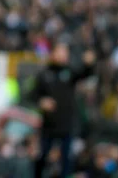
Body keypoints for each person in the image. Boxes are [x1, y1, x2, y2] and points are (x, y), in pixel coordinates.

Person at [32, 43, 96, 178]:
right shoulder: (44, 74)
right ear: (53, 53)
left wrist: (89, 64)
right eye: (59, 51)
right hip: (49, 125)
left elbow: (84, 74)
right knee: (42, 156)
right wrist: (42, 102)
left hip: (66, 125)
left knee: (66, 159)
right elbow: (33, 95)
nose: (62, 55)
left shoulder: (70, 72)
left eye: (64, 52)